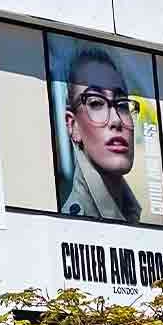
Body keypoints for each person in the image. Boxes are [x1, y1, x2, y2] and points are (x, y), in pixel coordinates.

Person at [59, 47, 143, 224]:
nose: (116, 120)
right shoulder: (74, 227)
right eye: (96, 103)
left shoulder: (131, 213)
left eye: (122, 105)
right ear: (73, 125)